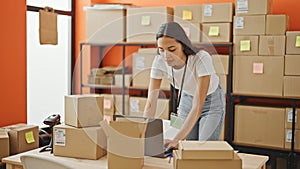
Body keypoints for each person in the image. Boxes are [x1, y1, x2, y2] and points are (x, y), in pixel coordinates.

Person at [143, 22, 226, 150]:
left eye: (171, 49)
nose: (166, 56)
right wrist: (144, 134)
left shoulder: (200, 58)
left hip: (211, 101)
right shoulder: (159, 61)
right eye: (161, 50)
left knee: (203, 147)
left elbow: (198, 105)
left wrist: (176, 139)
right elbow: (150, 103)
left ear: (183, 45)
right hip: (186, 98)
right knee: (188, 147)